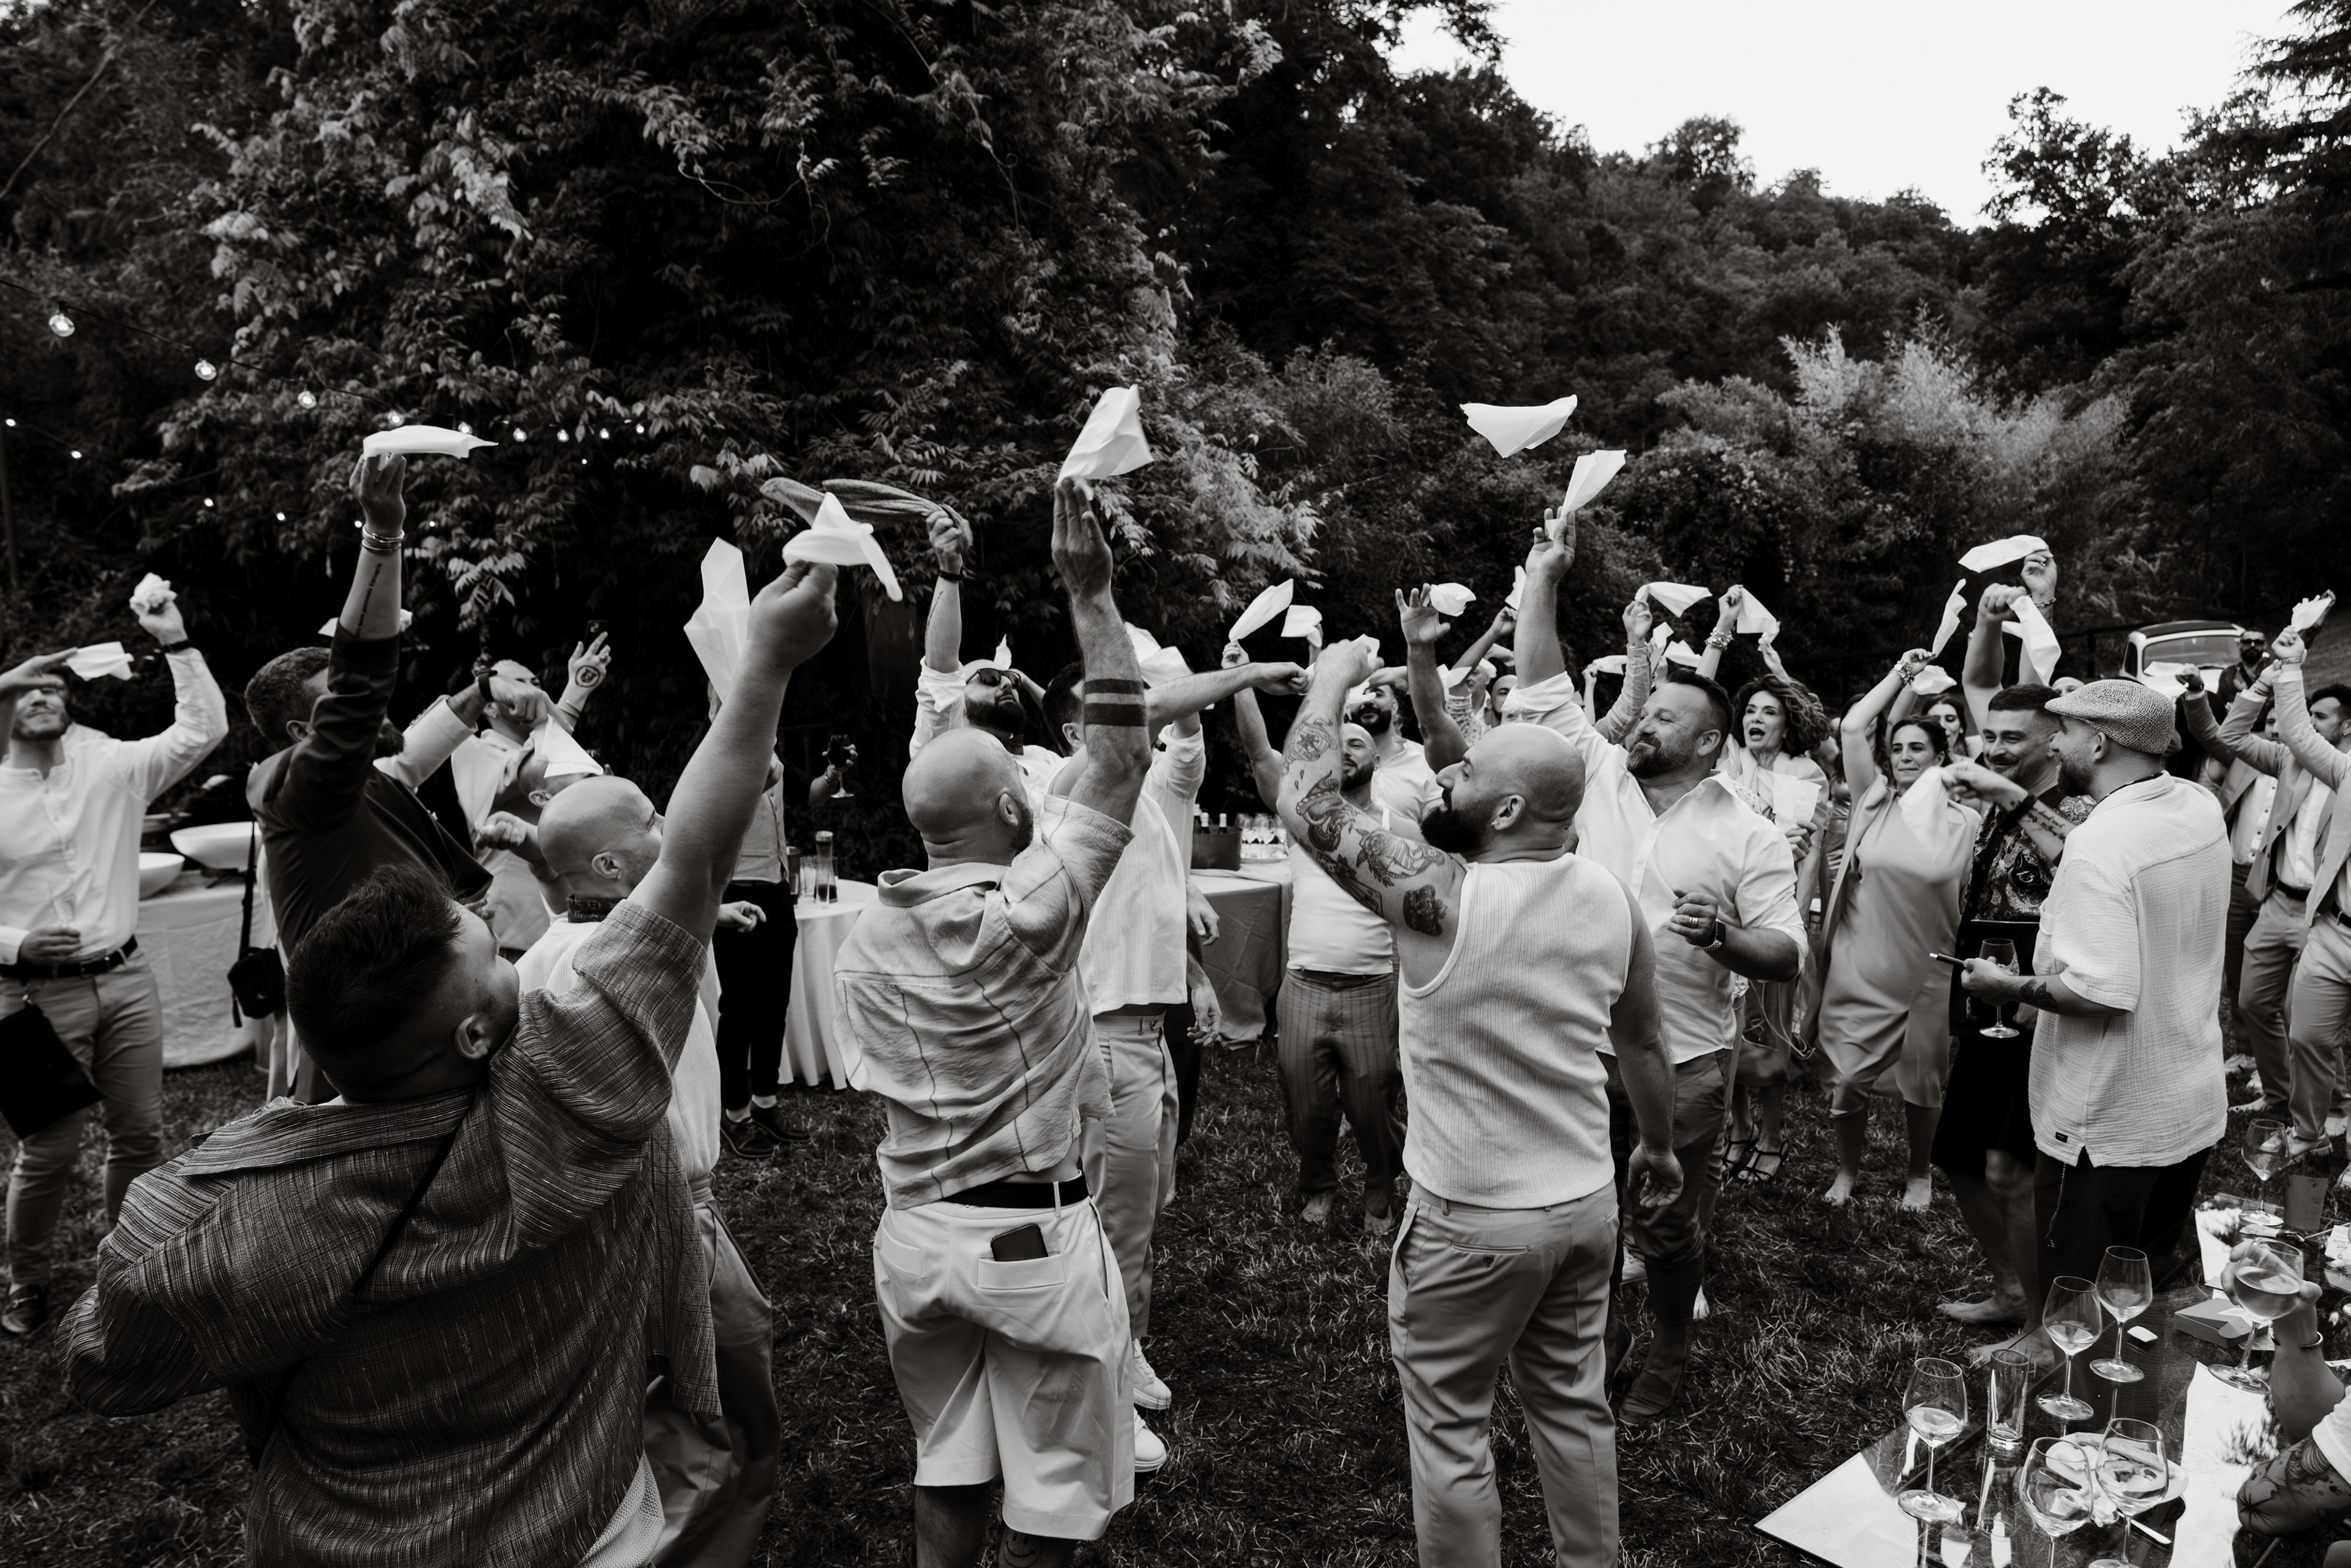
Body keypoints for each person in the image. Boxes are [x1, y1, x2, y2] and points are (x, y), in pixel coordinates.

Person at [60, 550, 839, 1562]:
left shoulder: (232, 1210)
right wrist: (766, 666)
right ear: (476, 1035)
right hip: (577, 1530)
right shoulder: (561, 1107)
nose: (506, 950)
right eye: (488, 956)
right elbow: (692, 857)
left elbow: (101, 1360)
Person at [1275, 632, 1681, 1568]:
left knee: (1451, 1427)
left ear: (1505, 809)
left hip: (1469, 1221)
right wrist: (1658, 1146)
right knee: (1574, 1408)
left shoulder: (1439, 895)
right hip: (1583, 1207)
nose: (1444, 774)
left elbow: (1306, 801)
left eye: (1464, 771)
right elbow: (1644, 1041)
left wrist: (1332, 678)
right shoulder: (1611, 896)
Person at [832, 478, 1150, 1568]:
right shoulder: (1028, 917)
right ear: (1015, 806)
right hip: (1028, 1241)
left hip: (915, 1242)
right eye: (1023, 776)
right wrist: (1090, 592)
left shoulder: (864, 935)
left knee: (949, 1461)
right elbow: (1121, 758)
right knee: (1054, 1496)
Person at [1499, 518, 1803, 1427]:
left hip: (1686, 1061)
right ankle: (1590, 1347)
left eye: (1666, 715)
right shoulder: (1595, 774)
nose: (1643, 720)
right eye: (1647, 709)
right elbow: (1540, 680)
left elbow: (1786, 950)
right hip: (1572, 1052)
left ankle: (1669, 1344)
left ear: (1708, 744)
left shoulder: (1746, 832)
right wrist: (1545, 579)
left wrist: (1724, 939)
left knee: (1667, 1222)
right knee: (1581, 1216)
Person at [1038, 637, 1303, 1461]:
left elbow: (1146, 897)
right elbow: (1148, 710)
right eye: (1116, 708)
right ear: (1078, 731)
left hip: (1147, 1033)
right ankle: (1103, 1397)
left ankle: (1126, 1346)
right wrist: (1250, 673)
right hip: (1104, 1037)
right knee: (1111, 1225)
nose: (1140, 717)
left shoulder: (1149, 797)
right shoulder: (1069, 788)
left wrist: (1192, 974)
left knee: (1143, 1211)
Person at [525, 775, 780, 1568]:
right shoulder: (608, 958)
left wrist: (711, 914)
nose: (667, 822)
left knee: (688, 1397)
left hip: (628, 1218)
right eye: (649, 819)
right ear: (609, 865)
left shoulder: (551, 952)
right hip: (663, 1218)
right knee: (714, 1407)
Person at [242, 456, 527, 1096]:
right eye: (339, 705)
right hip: (381, 1052)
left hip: (448, 1024)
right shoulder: (288, 790)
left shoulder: (373, 778)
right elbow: (362, 686)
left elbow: (425, 739)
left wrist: (486, 687)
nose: (374, 711)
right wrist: (382, 533)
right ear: (302, 733)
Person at [0, 595, 230, 1337]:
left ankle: (125, 1265)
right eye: (25, 689)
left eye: (52, 688)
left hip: (128, 980)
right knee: (49, 1149)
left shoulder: (113, 767)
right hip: (30, 994)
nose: (41, 696)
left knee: (140, 1134)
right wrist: (14, 944)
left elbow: (202, 730)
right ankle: (27, 1279)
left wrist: (176, 641)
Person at [1960, 678, 2228, 1292]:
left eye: (2065, 731)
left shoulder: (2099, 845)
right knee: (2142, 1290)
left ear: (2101, 743)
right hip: (2186, 1101)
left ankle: (2061, 1357)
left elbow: (2100, 992)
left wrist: (2010, 987)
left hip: (2107, 1123)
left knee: (2077, 1303)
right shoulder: (2196, 804)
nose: (2055, 745)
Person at [1927, 687, 2089, 1335]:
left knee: (2010, 1169)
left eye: (2012, 737)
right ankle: (2010, 1289)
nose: (1994, 748)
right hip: (1983, 996)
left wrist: (2037, 988)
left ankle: (2040, 1329)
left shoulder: (2076, 806)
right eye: (1989, 735)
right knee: (1959, 1155)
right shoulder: (1997, 802)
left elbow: (2084, 876)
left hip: (2033, 1007)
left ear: (2053, 741)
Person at [1231, 661, 1404, 1235]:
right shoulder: (1302, 819)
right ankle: (1318, 1186)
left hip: (1372, 988)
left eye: (1358, 742)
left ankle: (1380, 1188)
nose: (1346, 749)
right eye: (1338, 741)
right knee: (1307, 1105)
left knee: (1374, 1106)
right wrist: (1243, 681)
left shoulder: (1397, 824)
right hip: (1304, 985)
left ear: (1377, 758)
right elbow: (1260, 755)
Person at [1815, 650, 1979, 1210]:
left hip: (1929, 968)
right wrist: (1903, 674)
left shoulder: (1966, 824)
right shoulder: (1873, 803)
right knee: (1847, 1079)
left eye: (1918, 749)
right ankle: (1846, 1170)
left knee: (1923, 1081)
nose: (1906, 756)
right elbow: (1853, 726)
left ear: (1941, 757)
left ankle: (1918, 1173)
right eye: (1899, 748)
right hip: (1861, 960)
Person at [2200, 647, 2351, 1157]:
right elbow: (2231, 736)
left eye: (2320, 716)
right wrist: (2269, 679)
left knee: (2308, 1019)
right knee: (2254, 1003)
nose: (2307, 724)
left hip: (2320, 912)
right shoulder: (2291, 760)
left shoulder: (2343, 773)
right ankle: (2283, 1098)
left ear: (2346, 727)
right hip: (2283, 904)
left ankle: (2335, 1108)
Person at [2250, 629, 2351, 1178]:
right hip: (2335, 929)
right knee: (2308, 1034)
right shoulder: (2347, 771)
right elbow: (2297, 733)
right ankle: (2309, 1133)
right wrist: (2290, 666)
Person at [446, 636, 612, 958]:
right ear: (490, 704)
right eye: (517, 684)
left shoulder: (551, 746)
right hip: (514, 926)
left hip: (569, 916)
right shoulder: (471, 749)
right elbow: (528, 771)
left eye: (535, 684)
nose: (532, 691)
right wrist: (575, 693)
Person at [913, 506, 1063, 795]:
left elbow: (1079, 732)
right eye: (990, 677)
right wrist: (950, 568)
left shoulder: (1047, 760)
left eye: (1012, 681)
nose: (1007, 683)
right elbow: (940, 673)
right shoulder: (943, 754)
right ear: (957, 698)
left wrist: (1024, 679)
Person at [2178, 669, 2280, 1015]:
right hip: (2235, 876)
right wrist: (2196, 690)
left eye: (2284, 723)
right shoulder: (2246, 756)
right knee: (2234, 966)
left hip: (2277, 883)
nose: (2276, 730)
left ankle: (2278, 1041)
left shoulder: (2313, 768)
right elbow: (2207, 730)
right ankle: (2244, 1041)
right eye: (2271, 722)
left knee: (2272, 982)